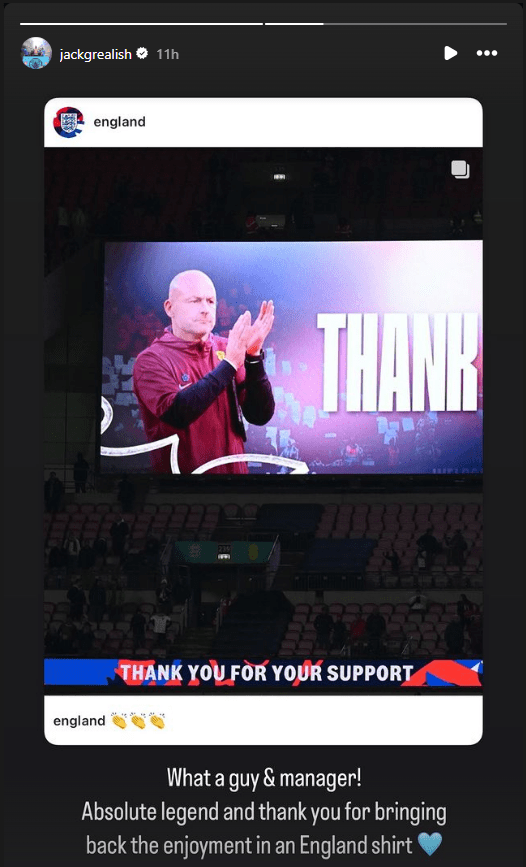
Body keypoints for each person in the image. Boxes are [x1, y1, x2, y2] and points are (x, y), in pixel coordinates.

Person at [133, 270, 275, 474]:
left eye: (210, 301)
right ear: (169, 307)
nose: (205, 309)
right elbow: (177, 413)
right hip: (181, 495)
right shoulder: (151, 360)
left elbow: (259, 415)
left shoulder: (228, 349)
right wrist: (230, 365)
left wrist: (253, 357)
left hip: (236, 488)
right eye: (195, 301)